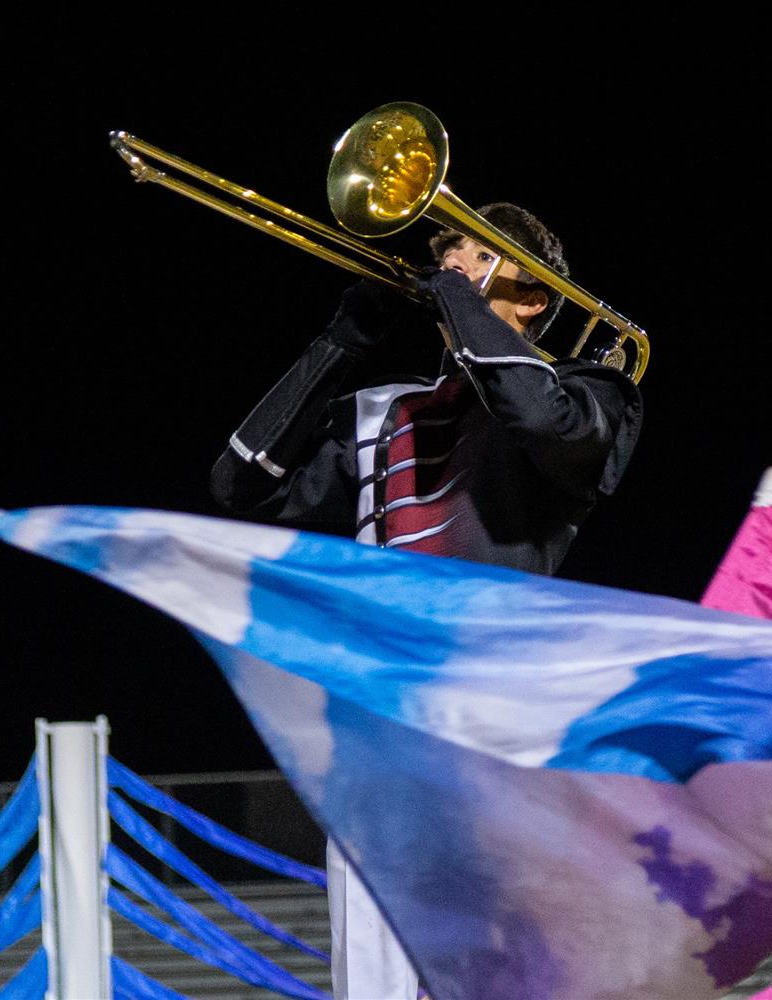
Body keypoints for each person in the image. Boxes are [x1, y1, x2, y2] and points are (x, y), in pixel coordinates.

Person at [210, 202, 643, 1000]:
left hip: (498, 724)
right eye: (451, 255)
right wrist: (339, 344)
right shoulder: (386, 411)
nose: (450, 270)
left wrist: (455, 297)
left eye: (479, 258)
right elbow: (242, 484)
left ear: (534, 297)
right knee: (371, 976)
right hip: (375, 714)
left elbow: (533, 413)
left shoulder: (595, 389)